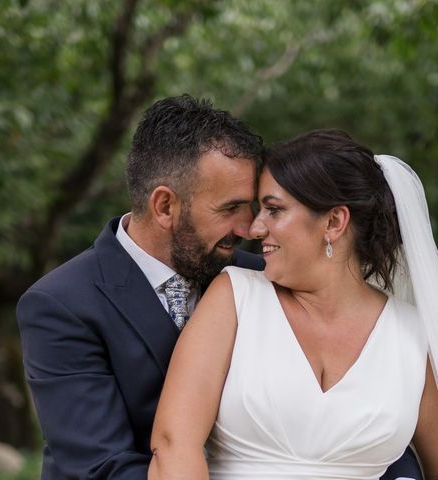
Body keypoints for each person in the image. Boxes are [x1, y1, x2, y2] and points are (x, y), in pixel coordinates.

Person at [148, 130, 438, 479]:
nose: (254, 228)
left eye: (273, 210)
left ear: (333, 222)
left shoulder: (412, 335)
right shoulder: (235, 297)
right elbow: (174, 444)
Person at [16, 95, 265, 479]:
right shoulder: (60, 304)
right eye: (230, 209)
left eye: (252, 207)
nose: (249, 229)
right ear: (165, 206)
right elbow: (100, 467)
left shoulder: (261, 278)